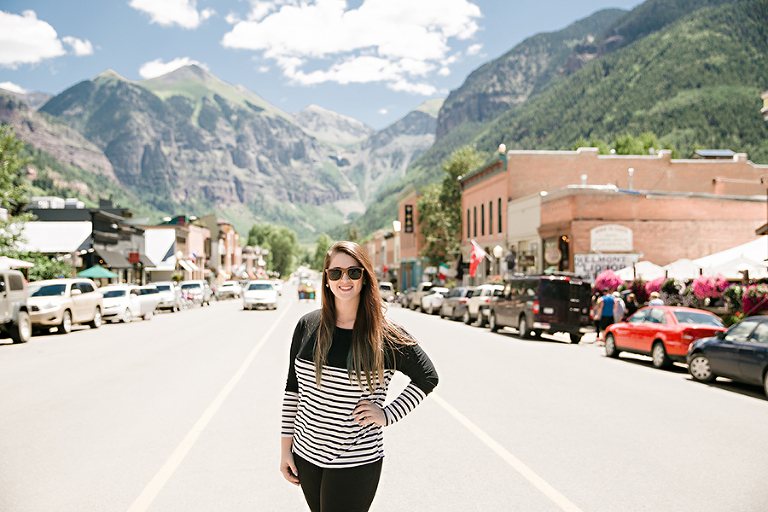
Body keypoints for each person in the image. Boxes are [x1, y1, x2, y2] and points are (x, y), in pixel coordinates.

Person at [280, 241, 439, 512]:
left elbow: (427, 377)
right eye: (336, 273)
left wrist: (386, 415)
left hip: (355, 461)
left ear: (365, 278)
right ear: (326, 279)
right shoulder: (307, 325)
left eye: (354, 272)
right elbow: (293, 390)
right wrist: (286, 450)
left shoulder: (384, 335)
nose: (345, 279)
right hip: (306, 456)